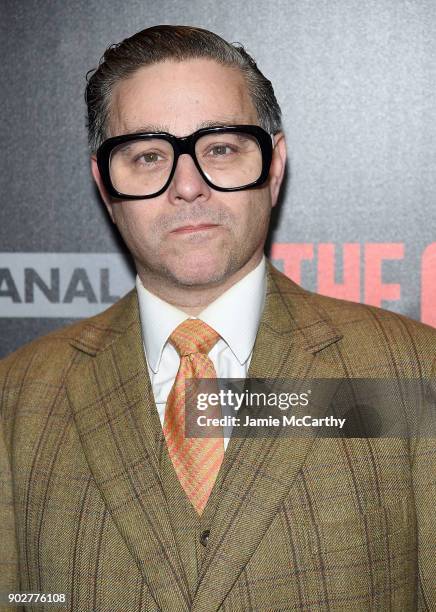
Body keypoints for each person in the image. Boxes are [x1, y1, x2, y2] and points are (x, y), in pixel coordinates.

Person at [0, 24, 435, 612]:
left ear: (274, 166)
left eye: (221, 149)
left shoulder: (409, 372)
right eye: (149, 156)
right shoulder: (20, 395)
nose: (187, 186)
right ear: (105, 184)